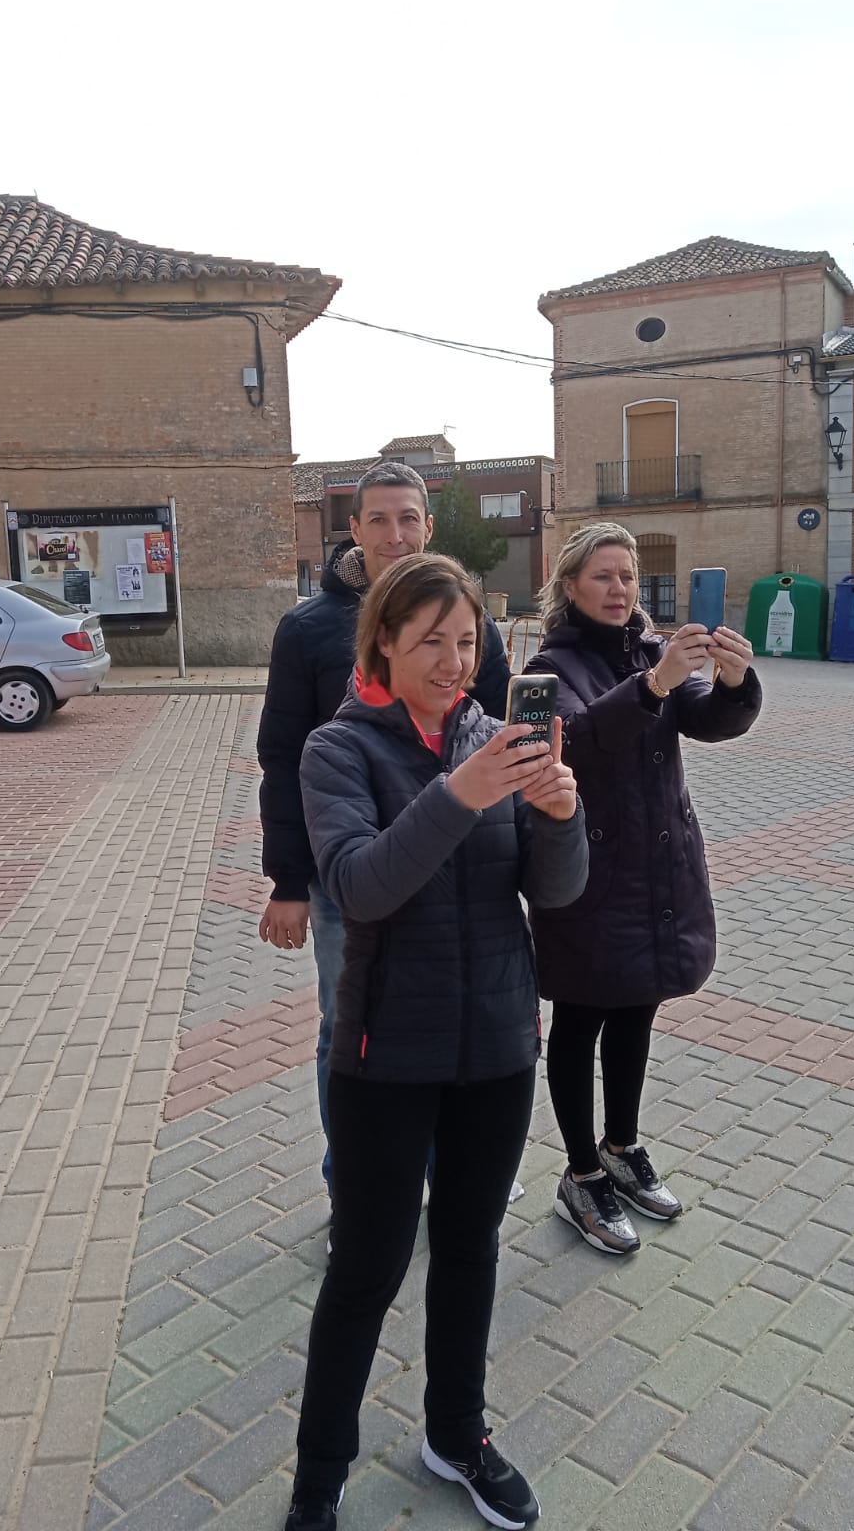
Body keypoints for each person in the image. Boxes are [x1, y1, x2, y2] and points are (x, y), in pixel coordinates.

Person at [284, 553, 587, 1531]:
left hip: (497, 1041)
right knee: (366, 1268)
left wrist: (560, 814)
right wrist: (460, 791)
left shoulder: (499, 739)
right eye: (431, 643)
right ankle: (318, 1479)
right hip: (384, 1053)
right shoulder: (339, 750)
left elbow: (557, 891)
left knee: (468, 1246)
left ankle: (456, 1433)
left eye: (467, 641)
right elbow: (363, 883)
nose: (456, 661)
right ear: (382, 641)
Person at [257, 462, 509, 1204]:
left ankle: (446, 1174)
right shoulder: (308, 628)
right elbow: (281, 757)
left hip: (455, 868)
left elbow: (487, 738)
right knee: (351, 1032)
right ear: (355, 529)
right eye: (378, 520)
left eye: (409, 518)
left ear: (428, 526)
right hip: (352, 875)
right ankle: (358, 1192)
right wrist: (288, 881)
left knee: (451, 1023)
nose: (395, 534)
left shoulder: (477, 624)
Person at [526, 523, 761, 1254]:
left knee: (636, 1012)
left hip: (658, 870)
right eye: (603, 576)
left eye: (628, 575)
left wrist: (731, 681)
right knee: (579, 1021)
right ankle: (580, 1172)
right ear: (571, 587)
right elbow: (571, 740)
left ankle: (622, 1147)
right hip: (589, 876)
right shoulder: (548, 662)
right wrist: (651, 686)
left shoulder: (648, 652)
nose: (620, 588)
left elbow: (707, 719)